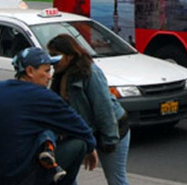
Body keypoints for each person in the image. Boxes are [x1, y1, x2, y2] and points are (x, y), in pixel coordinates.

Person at [0, 47, 97, 185]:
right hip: (14, 178)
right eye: (46, 71)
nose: (50, 76)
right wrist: (91, 147)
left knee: (42, 129)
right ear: (30, 71)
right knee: (80, 144)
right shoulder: (42, 96)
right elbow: (79, 127)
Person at [47, 34, 130, 185]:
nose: (52, 61)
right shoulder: (60, 75)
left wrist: (109, 141)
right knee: (67, 176)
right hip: (86, 133)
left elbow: (103, 109)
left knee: (115, 179)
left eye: (56, 56)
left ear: (70, 55)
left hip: (112, 130)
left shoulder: (90, 72)